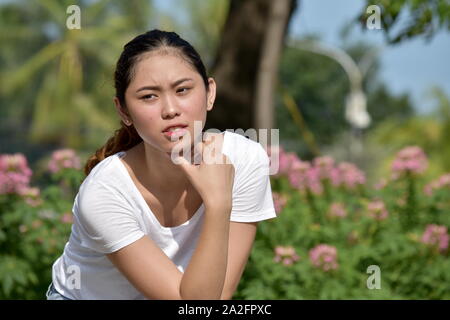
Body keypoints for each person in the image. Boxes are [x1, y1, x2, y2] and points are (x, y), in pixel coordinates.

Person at [46, 29, 277, 300]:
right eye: (149, 97)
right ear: (123, 111)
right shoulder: (104, 192)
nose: (170, 109)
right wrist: (218, 204)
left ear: (210, 92)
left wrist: (219, 199)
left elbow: (217, 297)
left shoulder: (245, 160)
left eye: (182, 90)